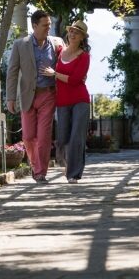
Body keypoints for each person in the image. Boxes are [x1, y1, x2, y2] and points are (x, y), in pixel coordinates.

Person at [6, 9, 64, 183]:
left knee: (44, 136)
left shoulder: (57, 43)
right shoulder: (20, 44)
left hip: (48, 94)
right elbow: (12, 72)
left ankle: (40, 172)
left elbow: (66, 64)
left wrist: (55, 73)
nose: (48, 28)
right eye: (45, 25)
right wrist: (10, 98)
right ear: (34, 26)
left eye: (49, 25)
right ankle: (34, 163)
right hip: (27, 96)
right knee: (29, 137)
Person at [42, 19, 91, 184]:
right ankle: (67, 165)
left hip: (80, 100)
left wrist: (54, 74)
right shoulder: (60, 51)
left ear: (82, 37)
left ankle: (74, 174)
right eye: (71, 31)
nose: (72, 34)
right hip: (62, 101)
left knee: (77, 137)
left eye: (76, 32)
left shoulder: (84, 57)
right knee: (62, 138)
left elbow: (75, 80)